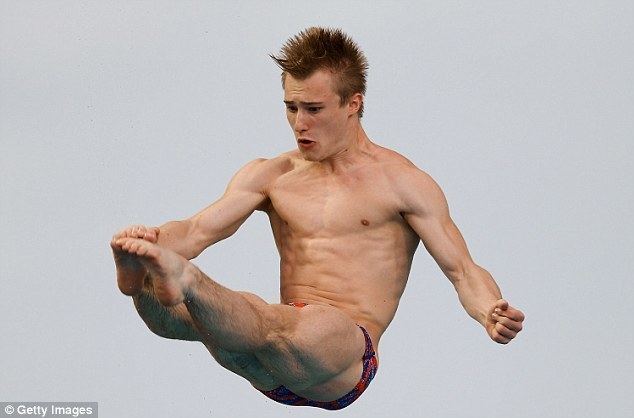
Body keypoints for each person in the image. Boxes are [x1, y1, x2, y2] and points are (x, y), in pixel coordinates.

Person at [110, 27, 525, 410]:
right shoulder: (272, 174)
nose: (299, 124)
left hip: (341, 356)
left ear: (353, 103)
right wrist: (153, 240)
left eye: (313, 108)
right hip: (273, 364)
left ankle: (188, 281)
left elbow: (463, 271)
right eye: (290, 108)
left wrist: (489, 310)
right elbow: (197, 229)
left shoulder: (402, 183)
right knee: (177, 316)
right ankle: (139, 281)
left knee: (274, 319)